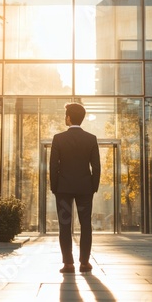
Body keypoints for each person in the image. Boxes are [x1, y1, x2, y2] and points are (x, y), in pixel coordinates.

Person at [50, 102, 101, 274]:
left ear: (69, 117)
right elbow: (96, 166)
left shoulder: (58, 138)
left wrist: (54, 187)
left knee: (64, 225)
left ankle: (68, 264)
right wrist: (93, 186)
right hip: (85, 187)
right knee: (86, 224)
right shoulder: (91, 138)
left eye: (66, 115)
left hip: (63, 188)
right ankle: (85, 263)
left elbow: (53, 166)